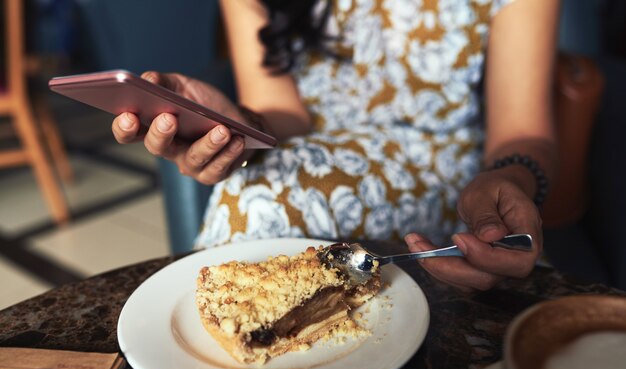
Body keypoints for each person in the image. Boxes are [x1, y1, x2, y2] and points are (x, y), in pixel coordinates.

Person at [112, 0, 560, 291]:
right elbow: (282, 113)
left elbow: (523, 131)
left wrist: (506, 181)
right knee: (256, 190)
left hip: (447, 175)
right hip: (311, 152)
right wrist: (235, 124)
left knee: (258, 198)